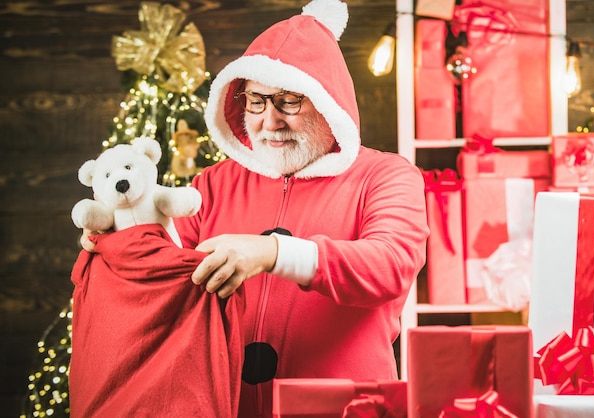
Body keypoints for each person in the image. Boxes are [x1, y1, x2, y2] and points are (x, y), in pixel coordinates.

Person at [82, 0, 428, 416]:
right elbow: (168, 273)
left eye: (290, 101)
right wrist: (124, 239)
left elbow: (389, 266)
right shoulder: (211, 184)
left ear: (328, 103)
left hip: (344, 408)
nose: (270, 121)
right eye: (257, 102)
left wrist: (272, 252)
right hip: (229, 405)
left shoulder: (386, 175)